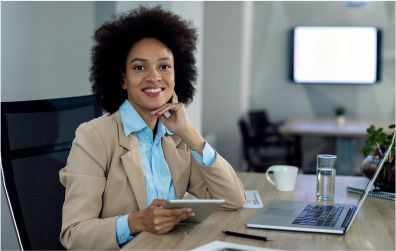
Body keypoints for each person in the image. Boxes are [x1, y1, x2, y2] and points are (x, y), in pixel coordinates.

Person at [59, 6, 245, 250]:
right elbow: (74, 235)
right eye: (139, 67)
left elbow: (233, 200)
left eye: (164, 67)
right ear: (123, 79)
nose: (154, 77)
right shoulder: (94, 137)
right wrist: (137, 222)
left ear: (176, 75)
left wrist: (189, 133)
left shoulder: (176, 136)